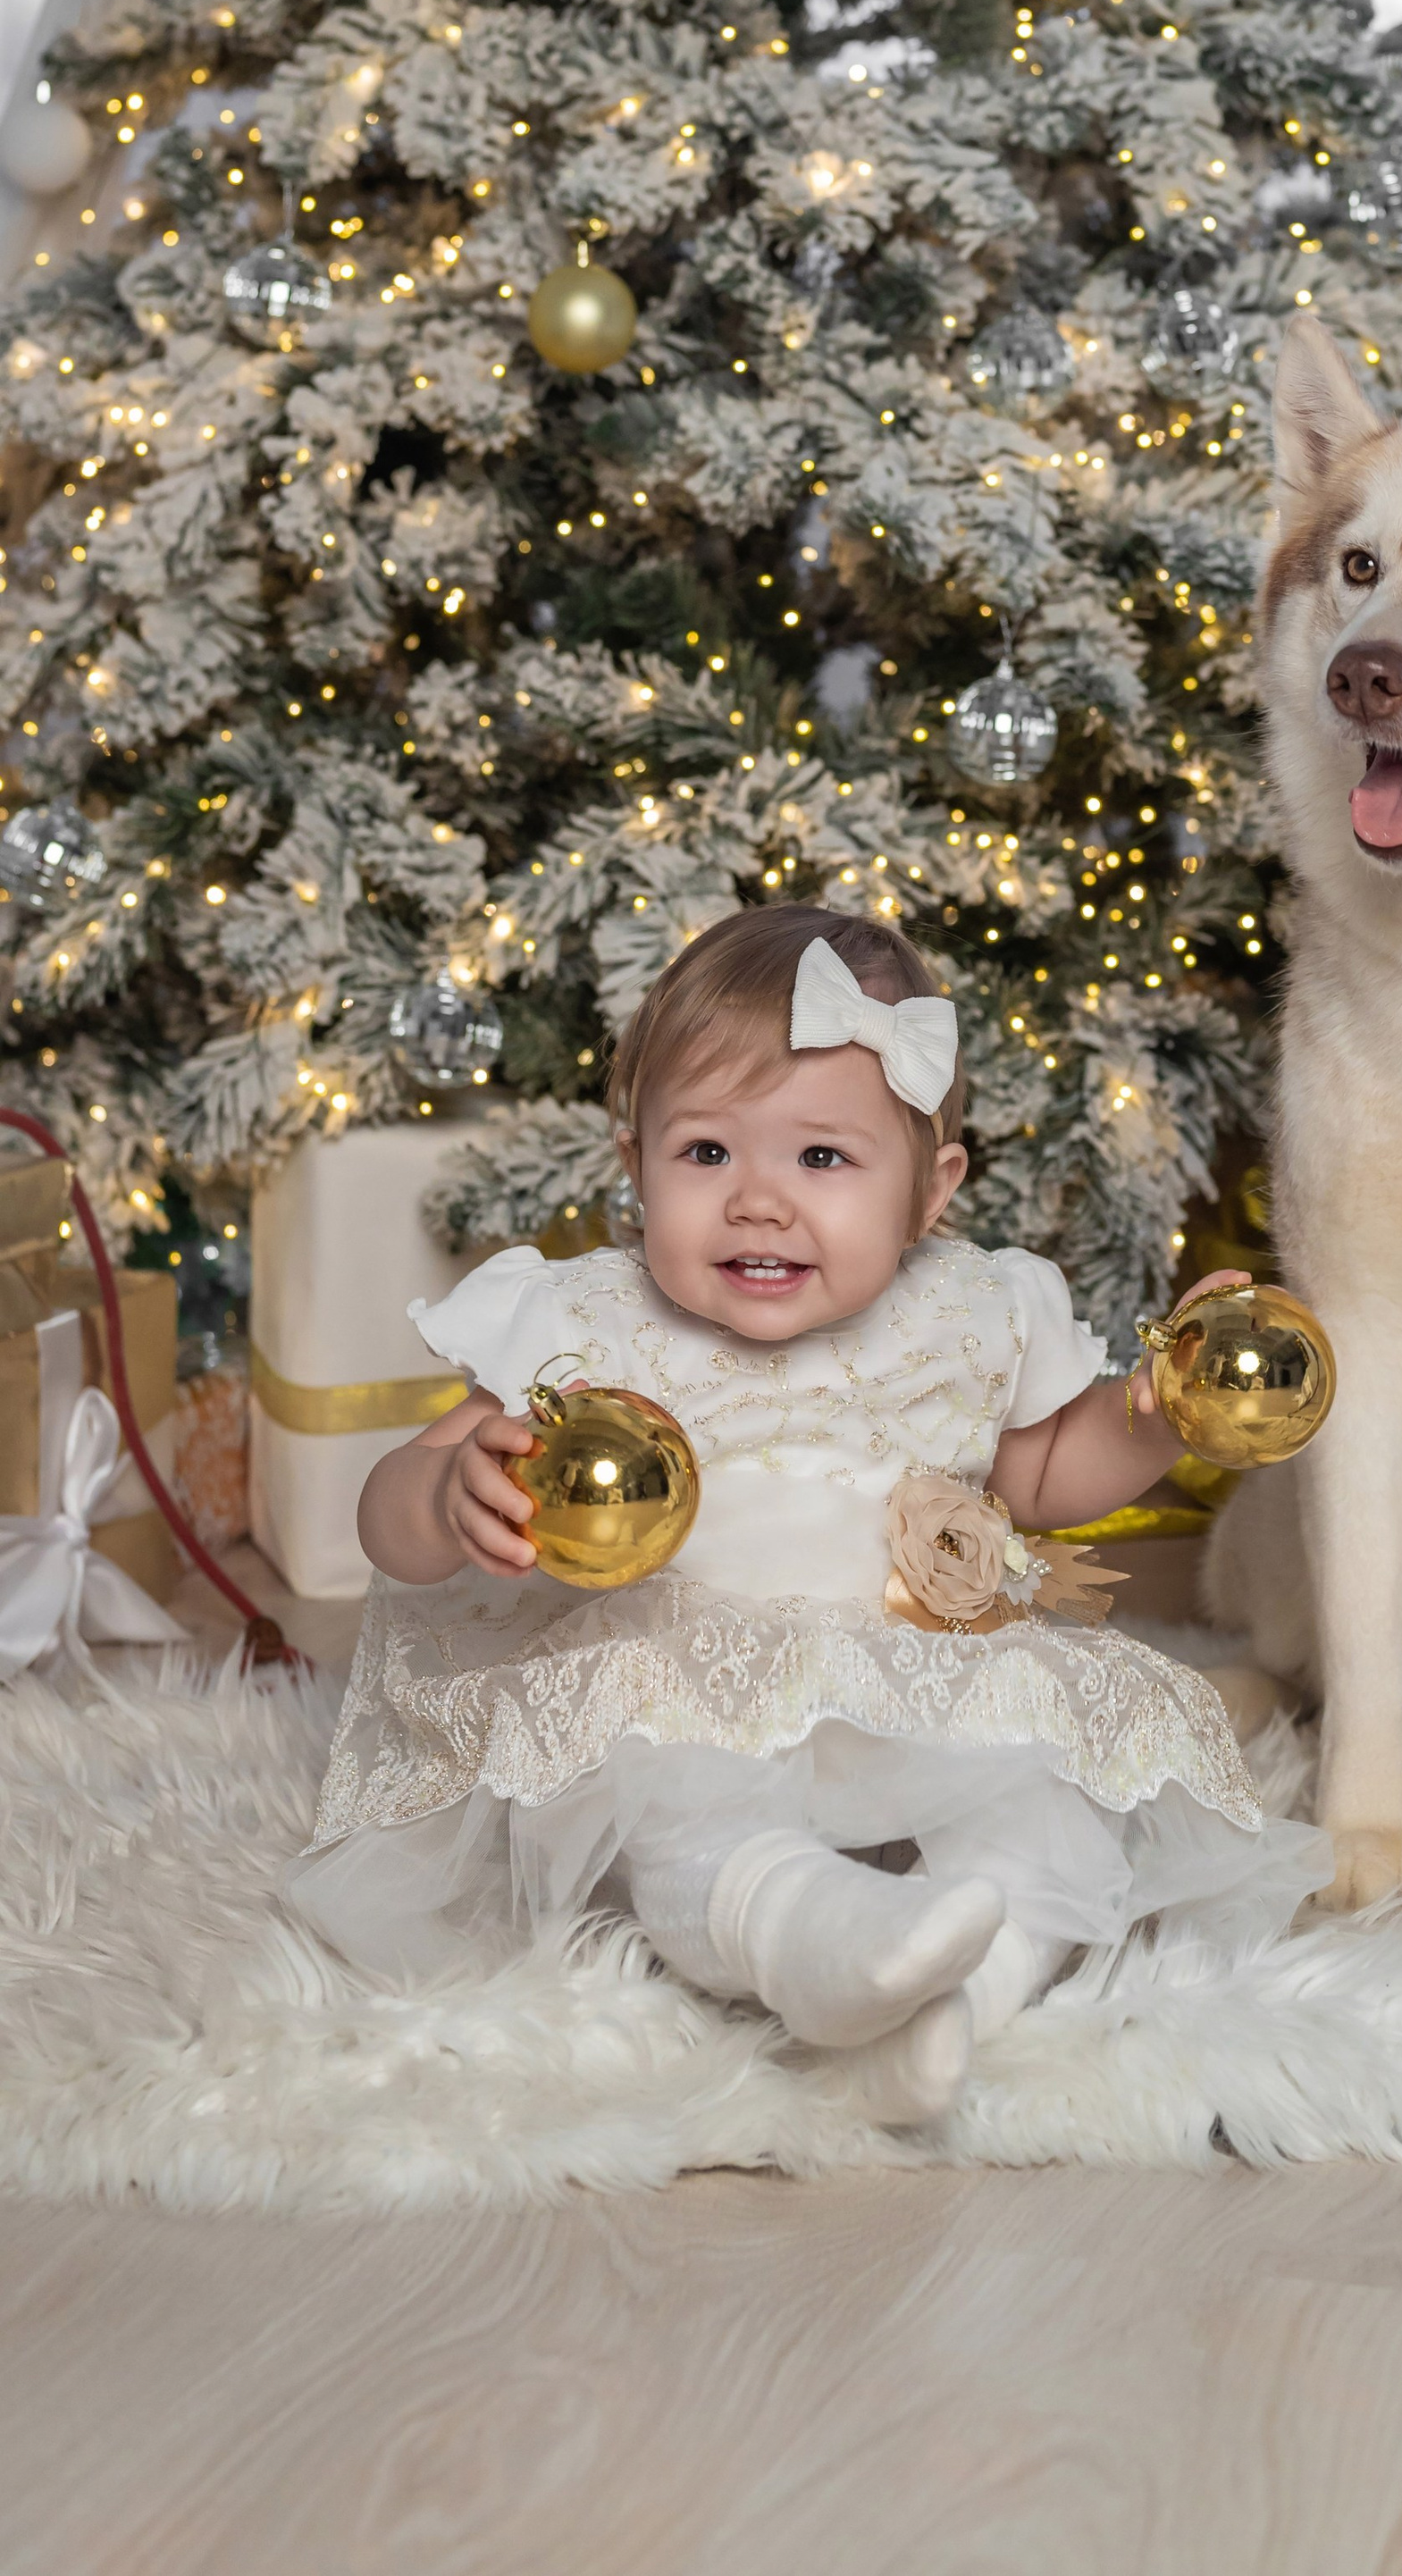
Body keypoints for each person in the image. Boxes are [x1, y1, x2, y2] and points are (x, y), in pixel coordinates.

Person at [286, 903, 1326, 2124]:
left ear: (931, 1191)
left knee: (1047, 1802)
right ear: (636, 1165)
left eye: (822, 1159)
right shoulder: (586, 1322)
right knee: (682, 1813)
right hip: (680, 1672)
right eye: (709, 1154)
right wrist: (446, 1494)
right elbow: (385, 1513)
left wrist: (1153, 1417)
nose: (760, 1202)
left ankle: (961, 2000)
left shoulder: (969, 1309)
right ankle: (813, 1937)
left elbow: (1043, 1476)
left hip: (910, 1671)